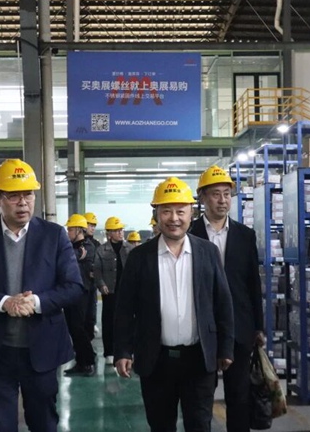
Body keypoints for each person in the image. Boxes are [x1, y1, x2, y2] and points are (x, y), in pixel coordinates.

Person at [0, 158, 84, 432]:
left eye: (28, 194)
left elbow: (73, 286)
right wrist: (5, 303)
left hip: (41, 350)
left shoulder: (54, 236)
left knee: (44, 423)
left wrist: (35, 302)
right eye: (14, 196)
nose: (23, 202)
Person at [114, 177, 235, 432]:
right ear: (156, 214)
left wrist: (225, 347)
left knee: (199, 424)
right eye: (166, 211)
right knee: (161, 425)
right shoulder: (139, 257)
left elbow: (223, 303)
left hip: (199, 359)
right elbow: (124, 309)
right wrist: (123, 351)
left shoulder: (207, 252)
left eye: (181, 211)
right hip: (156, 360)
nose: (174, 218)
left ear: (192, 213)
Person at [189, 165, 264, 432]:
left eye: (226, 194)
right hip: (201, 327)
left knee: (239, 395)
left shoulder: (245, 235)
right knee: (200, 396)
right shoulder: (189, 233)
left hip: (239, 326)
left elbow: (253, 283)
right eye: (215, 194)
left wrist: (258, 326)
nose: (222, 200)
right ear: (202, 197)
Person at [92, 216, 134, 364]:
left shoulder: (130, 249)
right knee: (109, 321)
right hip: (109, 291)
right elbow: (97, 270)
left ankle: (128, 351)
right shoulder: (101, 250)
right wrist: (101, 284)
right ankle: (109, 352)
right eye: (116, 230)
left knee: (128, 321)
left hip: (127, 291)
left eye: (121, 230)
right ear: (109, 233)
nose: (120, 233)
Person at [63, 214, 97, 377]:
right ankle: (81, 362)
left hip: (82, 293)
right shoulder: (71, 247)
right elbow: (63, 262)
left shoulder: (88, 247)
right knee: (72, 328)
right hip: (69, 293)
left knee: (78, 328)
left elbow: (70, 262)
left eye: (70, 229)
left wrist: (73, 257)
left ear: (79, 230)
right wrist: (75, 256)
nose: (68, 232)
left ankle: (88, 362)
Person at [83, 212, 101, 338]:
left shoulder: (96, 244)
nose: (93, 228)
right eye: (90, 225)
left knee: (91, 310)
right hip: (80, 284)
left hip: (92, 284)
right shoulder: (76, 243)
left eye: (94, 225)